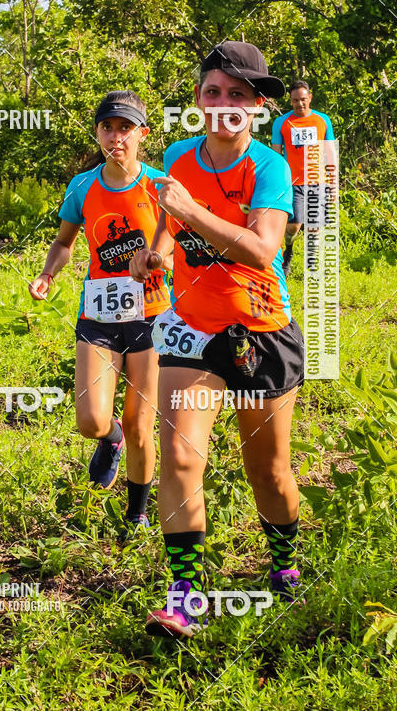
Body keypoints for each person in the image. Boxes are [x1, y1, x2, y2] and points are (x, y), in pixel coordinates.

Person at [129, 41, 305, 638]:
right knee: (180, 456)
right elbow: (169, 227)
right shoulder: (179, 158)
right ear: (198, 100)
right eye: (213, 91)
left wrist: (188, 212)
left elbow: (261, 248)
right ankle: (185, 597)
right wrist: (154, 254)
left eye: (238, 94)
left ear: (255, 107)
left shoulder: (269, 167)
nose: (224, 103)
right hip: (193, 330)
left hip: (259, 330)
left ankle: (283, 568)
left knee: (270, 472)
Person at [29, 91, 171, 530]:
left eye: (125, 128)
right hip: (100, 314)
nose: (116, 137)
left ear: (142, 133)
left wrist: (155, 257)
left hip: (151, 315)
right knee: (92, 419)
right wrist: (49, 274)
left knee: (141, 422)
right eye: (108, 127)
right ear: (97, 132)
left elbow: (173, 243)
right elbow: (64, 242)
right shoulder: (82, 186)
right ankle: (111, 441)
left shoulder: (159, 185)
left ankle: (138, 513)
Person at [271, 80, 335, 275]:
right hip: (293, 183)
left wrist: (333, 185)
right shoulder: (281, 122)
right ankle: (288, 250)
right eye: (295, 100)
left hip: (318, 181)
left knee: (315, 227)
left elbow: (330, 153)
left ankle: (312, 265)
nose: (300, 104)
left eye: (303, 99)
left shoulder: (322, 120)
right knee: (293, 226)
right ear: (290, 101)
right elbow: (276, 156)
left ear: (310, 98)